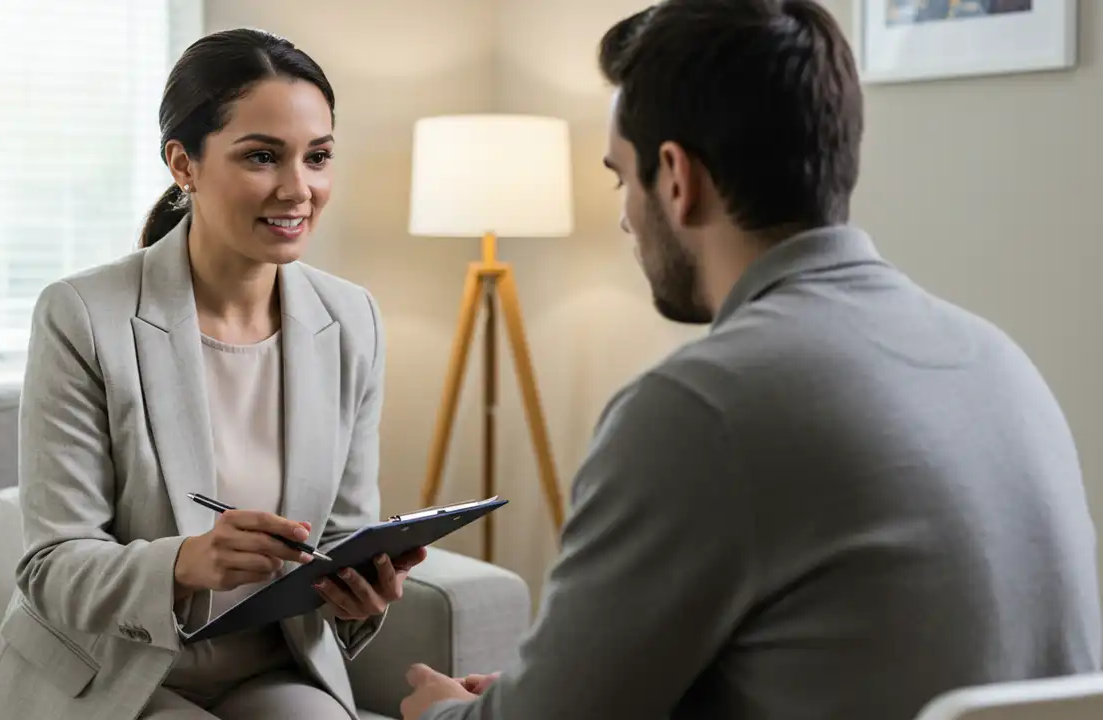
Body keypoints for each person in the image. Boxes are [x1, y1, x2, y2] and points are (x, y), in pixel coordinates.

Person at [400, 1, 1102, 719]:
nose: (623, 216)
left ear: (676, 177)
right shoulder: (996, 357)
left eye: (622, 178)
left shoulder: (699, 409)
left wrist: (440, 713)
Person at [0, 28, 425, 720]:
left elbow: (339, 536)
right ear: (183, 164)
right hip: (107, 674)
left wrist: (357, 589)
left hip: (270, 667)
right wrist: (186, 562)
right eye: (262, 157)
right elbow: (51, 567)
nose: (299, 188)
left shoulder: (350, 317)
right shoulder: (83, 314)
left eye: (319, 156)